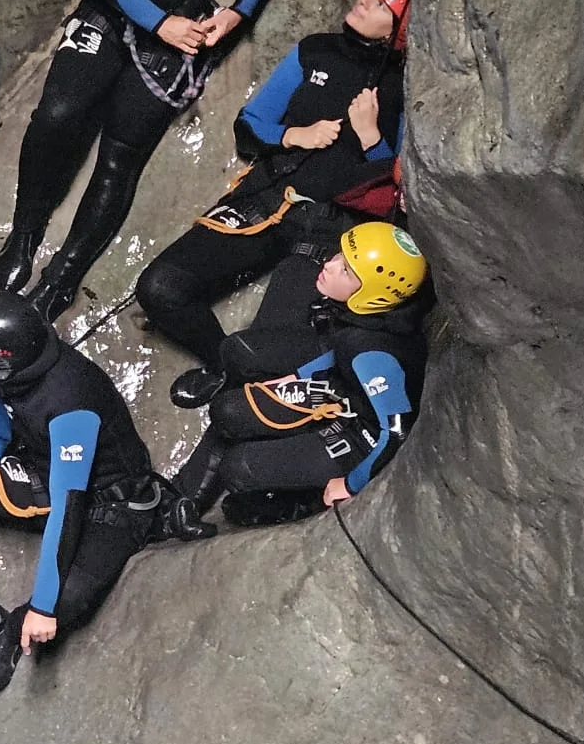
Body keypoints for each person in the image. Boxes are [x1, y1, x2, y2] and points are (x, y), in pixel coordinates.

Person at [0, 0, 288, 322]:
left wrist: (238, 12)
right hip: (114, 6)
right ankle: (26, 228)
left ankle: (63, 275)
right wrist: (156, 21)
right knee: (57, 114)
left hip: (182, 20)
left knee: (121, 154)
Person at [136, 0, 414, 407]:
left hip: (333, 230)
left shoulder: (402, 88)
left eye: (381, 4)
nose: (364, 0)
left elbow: (394, 196)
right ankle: (224, 367)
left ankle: (244, 381)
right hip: (269, 198)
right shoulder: (316, 51)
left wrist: (371, 138)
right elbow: (249, 125)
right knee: (159, 288)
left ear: (397, 31)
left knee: (271, 350)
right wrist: (293, 136)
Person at [0, 293, 166, 700]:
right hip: (45, 472)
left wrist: (43, 607)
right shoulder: (10, 372)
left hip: (111, 504)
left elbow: (68, 507)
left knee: (71, 598)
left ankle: (15, 626)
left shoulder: (71, 401)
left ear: (0, 361)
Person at [162, 222, 429, 535]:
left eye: (345, 270)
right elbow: (341, 352)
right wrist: (296, 377)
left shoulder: (372, 354)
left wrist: (349, 484)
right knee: (228, 411)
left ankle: (301, 501)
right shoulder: (366, 322)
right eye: (339, 256)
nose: (329, 264)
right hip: (340, 391)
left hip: (360, 436)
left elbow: (396, 432)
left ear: (370, 295)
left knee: (238, 469)